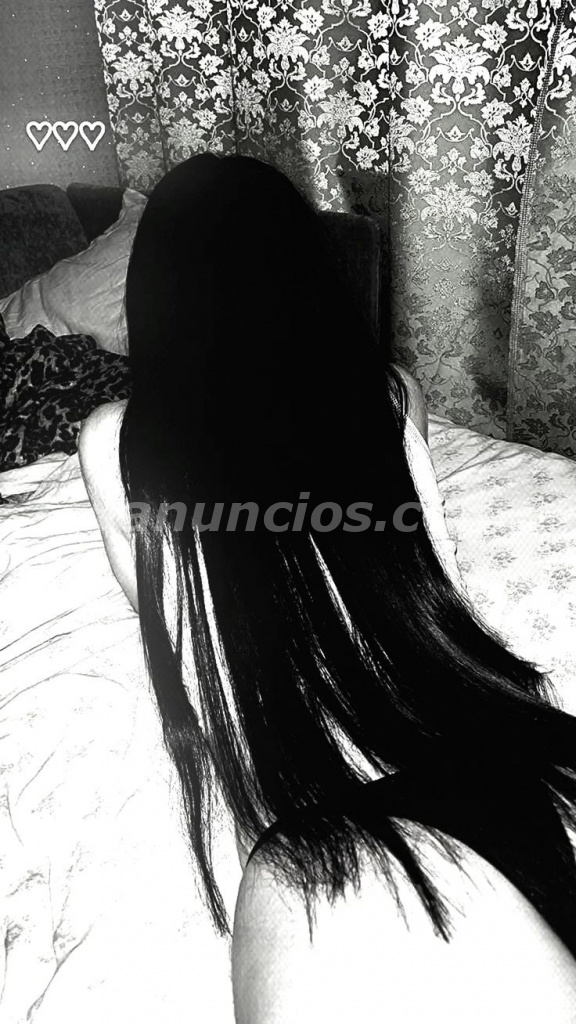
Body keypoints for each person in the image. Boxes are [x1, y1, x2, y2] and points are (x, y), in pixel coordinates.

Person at [79, 153, 576, 1022]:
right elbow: (407, 547)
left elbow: (164, 620)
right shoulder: (390, 395)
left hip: (317, 811)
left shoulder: (115, 441)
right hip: (483, 752)